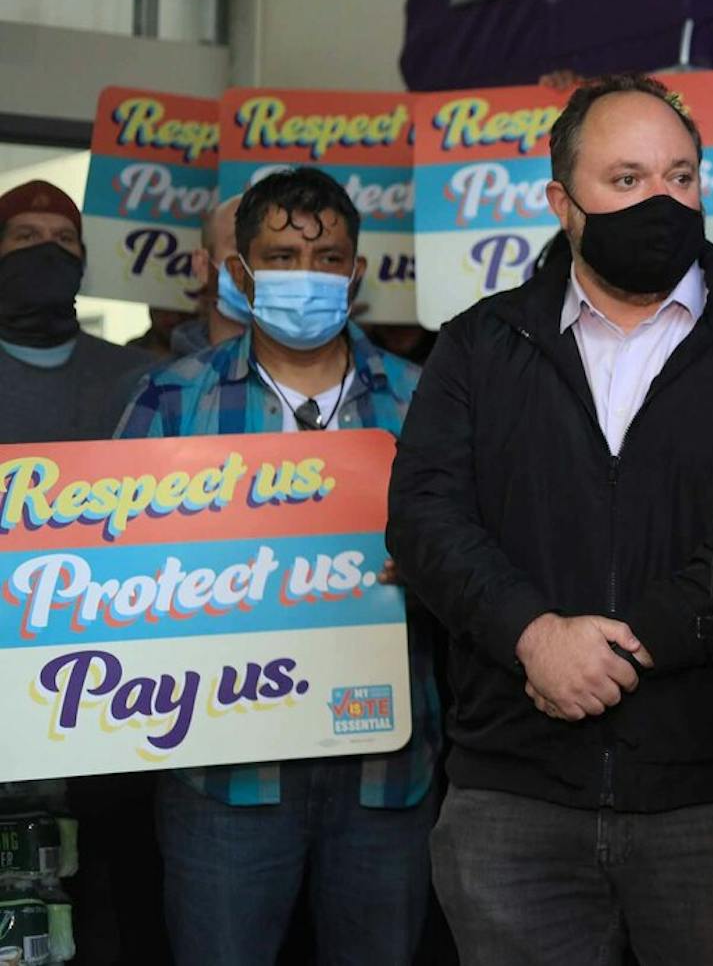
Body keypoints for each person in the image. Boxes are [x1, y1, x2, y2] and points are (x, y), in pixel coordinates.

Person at [386, 73, 713, 965]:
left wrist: (624, 643)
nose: (658, 202)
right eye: (625, 181)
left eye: (678, 177)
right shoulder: (480, 343)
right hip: (513, 800)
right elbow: (424, 516)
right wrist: (531, 635)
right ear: (563, 201)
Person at [115, 167, 441, 966]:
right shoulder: (170, 401)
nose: (307, 275)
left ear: (356, 275)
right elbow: (107, 571)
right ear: (239, 274)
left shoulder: (425, 402)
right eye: (282, 256)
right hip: (225, 777)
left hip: (385, 774)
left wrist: (435, 570)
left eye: (327, 257)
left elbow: (488, 560)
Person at [0, 179, 155, 442]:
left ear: (81, 261)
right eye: (27, 236)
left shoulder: (140, 378)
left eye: (65, 238)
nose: (49, 250)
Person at [170, 194, 249, 355]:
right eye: (242, 246)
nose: (261, 262)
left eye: (283, 254)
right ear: (203, 266)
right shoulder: (157, 380)